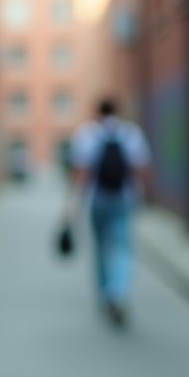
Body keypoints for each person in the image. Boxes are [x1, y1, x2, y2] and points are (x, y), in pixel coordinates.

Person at [65, 97, 151, 326]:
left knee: (101, 247)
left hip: (97, 200)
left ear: (97, 112)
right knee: (123, 247)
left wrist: (71, 208)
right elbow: (140, 170)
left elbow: (80, 173)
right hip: (124, 199)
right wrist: (141, 197)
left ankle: (105, 295)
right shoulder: (131, 134)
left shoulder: (87, 135)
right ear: (118, 110)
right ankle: (118, 293)